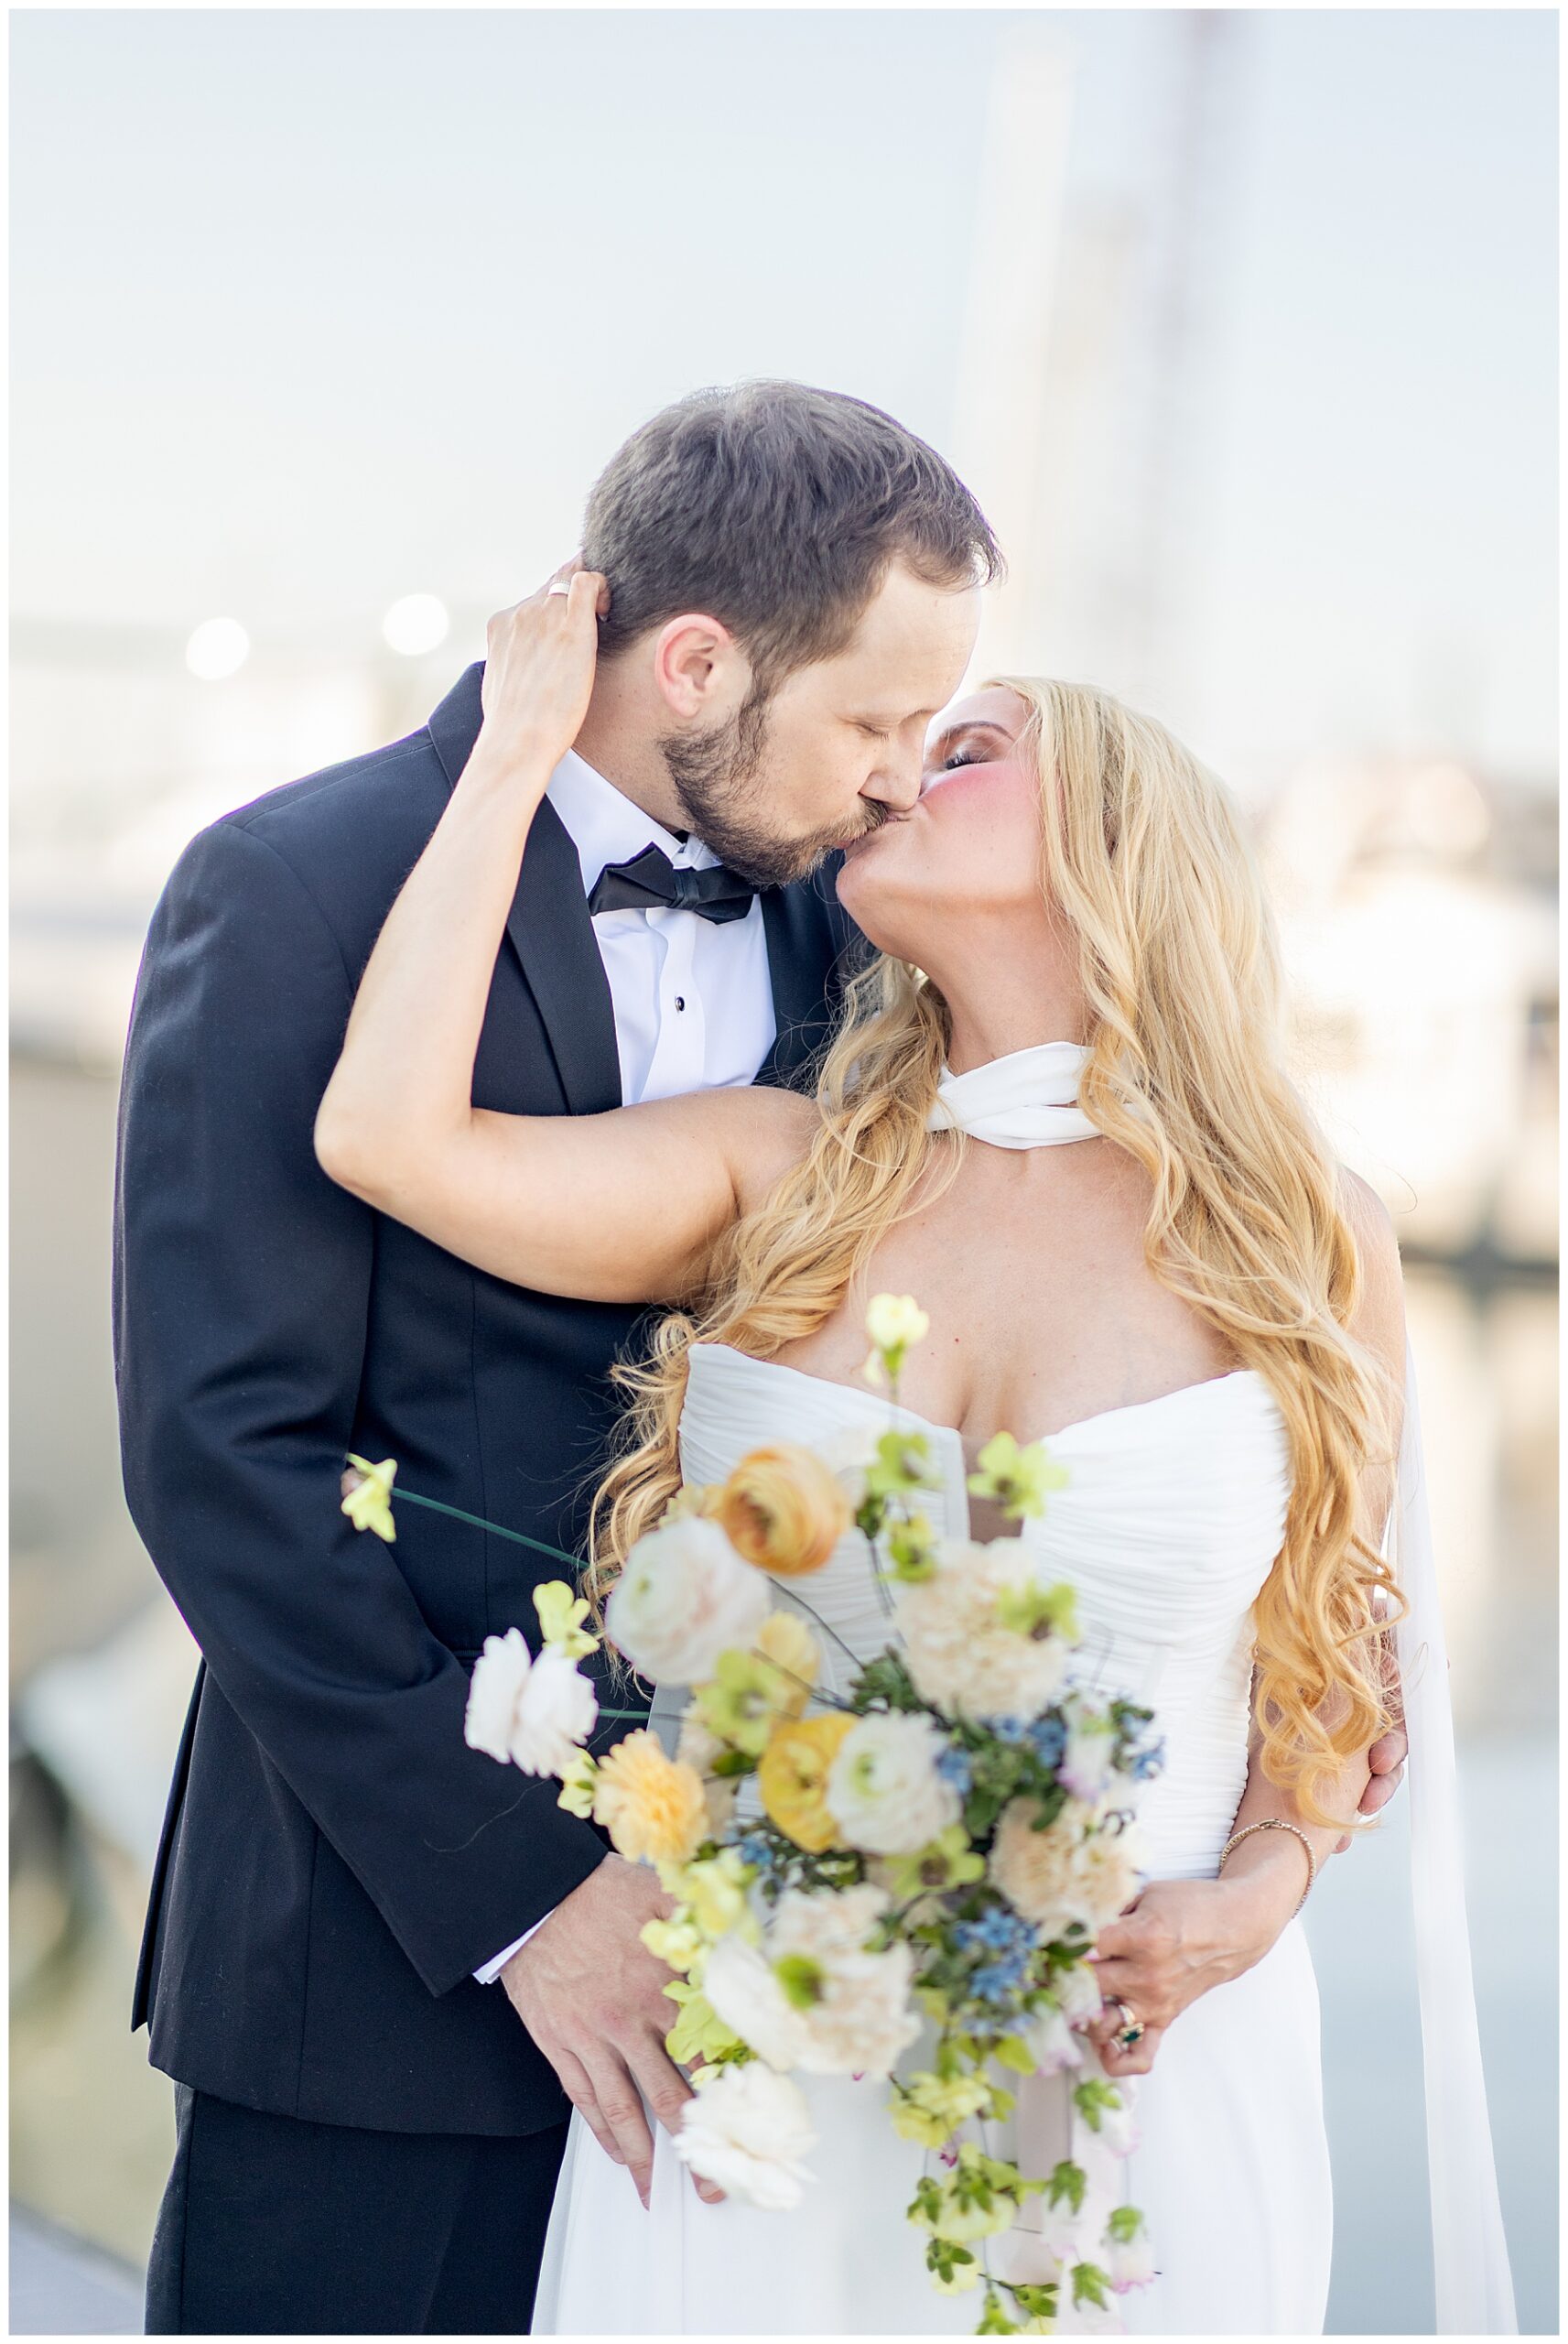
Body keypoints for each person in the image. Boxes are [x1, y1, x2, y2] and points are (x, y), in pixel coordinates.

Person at [307, 578, 1509, 2336]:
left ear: (1114, 843)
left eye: (964, 747)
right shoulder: (777, 1176)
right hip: (748, 2072)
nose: (888, 779)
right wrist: (511, 760)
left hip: (1138, 2066)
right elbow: (383, 1138)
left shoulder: (1305, 1237)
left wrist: (1260, 1895)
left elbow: (1326, 1658)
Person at [113, 380, 1006, 2335]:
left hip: (760, 1978)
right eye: (870, 720)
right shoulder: (291, 889)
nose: (893, 783)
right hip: (373, 1969)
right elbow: (223, 1455)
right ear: (694, 660)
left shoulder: (868, 942)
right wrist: (523, 1892)